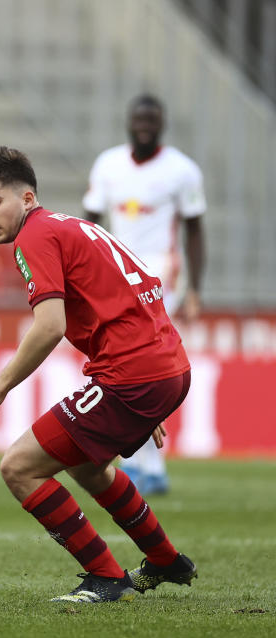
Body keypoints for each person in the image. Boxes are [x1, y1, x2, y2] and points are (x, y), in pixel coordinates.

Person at [0, 146, 197, 603]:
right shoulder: (73, 226)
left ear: (26, 198)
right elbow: (139, 292)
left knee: (19, 467)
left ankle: (107, 577)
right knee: (89, 467)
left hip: (135, 373)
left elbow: (50, 326)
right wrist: (156, 387)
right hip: (163, 365)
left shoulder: (35, 236)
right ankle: (166, 560)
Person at [83, 94, 207, 495]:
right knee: (131, 369)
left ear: (163, 123)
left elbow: (194, 229)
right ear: (129, 121)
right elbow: (91, 222)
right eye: (139, 117)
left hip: (160, 278)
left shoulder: (182, 171)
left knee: (144, 367)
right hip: (115, 278)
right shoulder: (108, 165)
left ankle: (141, 464)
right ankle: (148, 467)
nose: (145, 124)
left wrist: (195, 289)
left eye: (152, 118)